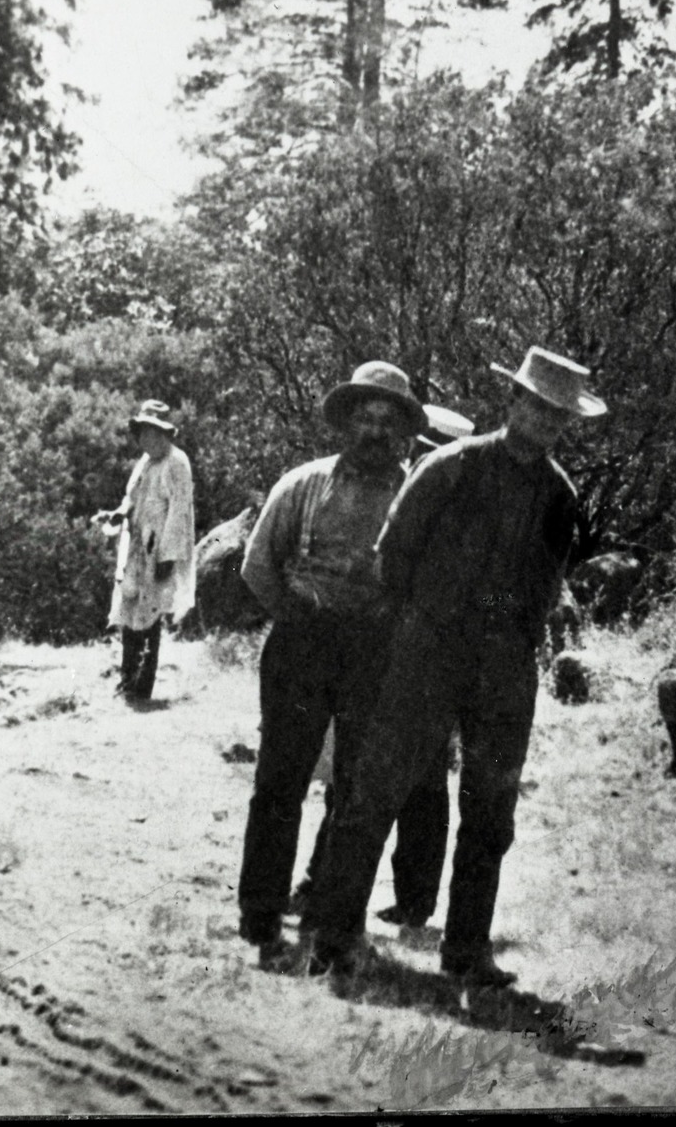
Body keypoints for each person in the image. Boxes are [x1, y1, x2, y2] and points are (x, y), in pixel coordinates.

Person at [303, 347, 602, 987]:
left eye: (558, 415)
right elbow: (392, 558)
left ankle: (467, 950)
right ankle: (334, 935)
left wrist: (499, 616)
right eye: (537, 406)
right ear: (513, 402)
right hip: (427, 653)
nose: (545, 421)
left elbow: (545, 588)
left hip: (505, 668)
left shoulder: (559, 494)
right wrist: (434, 618)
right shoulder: (450, 467)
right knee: (377, 790)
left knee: (492, 811)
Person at [233, 361, 428, 958]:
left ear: (400, 429)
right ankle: (261, 913)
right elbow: (258, 564)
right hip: (302, 643)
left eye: (385, 420)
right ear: (346, 423)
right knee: (279, 782)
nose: (373, 430)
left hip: (373, 653)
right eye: (363, 417)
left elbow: (424, 583)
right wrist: (296, 618)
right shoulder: (304, 484)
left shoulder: (415, 496)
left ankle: (332, 917)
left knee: (355, 791)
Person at [291, 401, 474, 931]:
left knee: (420, 783)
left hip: (425, 656)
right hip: (378, 651)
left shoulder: (454, 509)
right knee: (355, 773)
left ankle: (411, 899)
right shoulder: (398, 493)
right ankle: (325, 883)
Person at [100, 401, 195, 702]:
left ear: (164, 434)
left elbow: (179, 512)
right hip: (137, 544)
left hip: (158, 547)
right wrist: (120, 513)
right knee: (129, 609)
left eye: (152, 432)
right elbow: (131, 497)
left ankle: (143, 683)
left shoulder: (177, 462)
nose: (145, 439)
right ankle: (126, 677)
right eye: (142, 433)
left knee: (150, 616)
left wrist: (168, 555)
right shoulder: (145, 462)